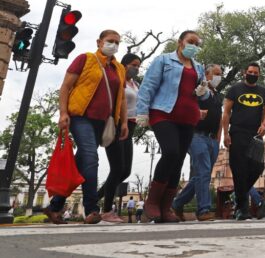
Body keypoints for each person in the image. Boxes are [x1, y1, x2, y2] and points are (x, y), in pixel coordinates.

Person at [45, 30, 128, 225]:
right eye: (110, 41)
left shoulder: (119, 68)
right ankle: (91, 209)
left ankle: (55, 206)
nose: (113, 45)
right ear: (99, 42)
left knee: (80, 162)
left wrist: (123, 122)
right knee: (91, 156)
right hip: (81, 117)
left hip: (105, 122)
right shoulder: (85, 59)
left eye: (117, 42)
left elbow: (122, 98)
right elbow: (65, 86)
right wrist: (63, 113)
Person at [136, 30, 209, 223]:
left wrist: (203, 91)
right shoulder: (163, 61)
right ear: (180, 42)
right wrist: (142, 111)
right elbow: (148, 85)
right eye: (190, 41)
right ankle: (152, 202)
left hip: (188, 117)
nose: (194, 46)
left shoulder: (198, 67)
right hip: (163, 113)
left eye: (197, 43)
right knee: (171, 152)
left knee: (178, 162)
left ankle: (166, 207)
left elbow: (203, 95)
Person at [173, 64, 224, 222]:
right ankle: (203, 209)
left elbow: (220, 118)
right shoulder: (201, 90)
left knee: (202, 175)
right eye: (216, 73)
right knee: (203, 172)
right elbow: (198, 95)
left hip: (212, 139)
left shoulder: (217, 95)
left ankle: (177, 203)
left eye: (220, 74)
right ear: (207, 75)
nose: (219, 77)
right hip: (196, 136)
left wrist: (219, 136)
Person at [222, 62, 265, 221]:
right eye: (250, 72)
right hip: (237, 133)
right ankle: (242, 209)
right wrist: (225, 134)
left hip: (255, 136)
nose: (253, 74)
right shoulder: (235, 89)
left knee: (257, 167)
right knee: (238, 170)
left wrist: (264, 125)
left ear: (259, 74)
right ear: (245, 73)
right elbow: (226, 113)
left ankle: (238, 196)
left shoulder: (263, 91)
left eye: (256, 73)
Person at [97, 53, 142, 223]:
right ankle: (107, 210)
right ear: (124, 64)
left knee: (125, 171)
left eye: (138, 66)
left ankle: (95, 198)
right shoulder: (118, 79)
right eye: (133, 65)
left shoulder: (135, 84)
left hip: (130, 126)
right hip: (116, 124)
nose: (136, 68)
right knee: (116, 168)